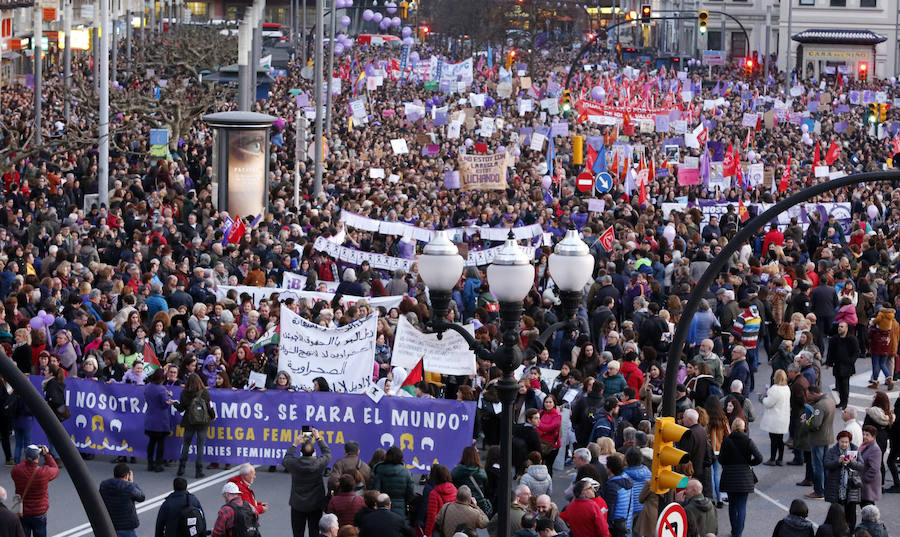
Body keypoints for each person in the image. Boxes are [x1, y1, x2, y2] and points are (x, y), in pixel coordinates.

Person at [283, 427, 331, 537]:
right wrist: (318, 438)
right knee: (314, 532)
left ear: (300, 452)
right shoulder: (319, 463)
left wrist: (295, 444)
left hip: (297, 504)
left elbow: (286, 459)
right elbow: (327, 453)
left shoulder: (294, 463)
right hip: (316, 504)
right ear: (314, 452)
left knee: (297, 533)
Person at [719, 418, 762, 537]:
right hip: (744, 477)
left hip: (730, 477)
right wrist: (749, 463)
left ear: (732, 427)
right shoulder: (748, 441)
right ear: (743, 427)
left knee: (732, 505)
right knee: (742, 506)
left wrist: (728, 464)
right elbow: (759, 458)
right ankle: (738, 533)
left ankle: (734, 531)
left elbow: (721, 459)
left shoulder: (727, 441)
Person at [10, 444, 58, 537]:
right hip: (39, 512)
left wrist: (29, 456)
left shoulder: (16, 471)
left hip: (22, 511)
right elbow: (55, 469)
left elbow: (21, 465)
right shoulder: (43, 473)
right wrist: (47, 455)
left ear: (26, 457)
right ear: (38, 457)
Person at [173, 373, 213, 478]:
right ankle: (198, 470)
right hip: (202, 422)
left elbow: (181, 408)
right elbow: (209, 407)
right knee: (200, 446)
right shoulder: (205, 393)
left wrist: (174, 403)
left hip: (189, 420)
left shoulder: (184, 393)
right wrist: (212, 416)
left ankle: (181, 468)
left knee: (186, 444)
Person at [803, 386, 836, 499]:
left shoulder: (820, 405)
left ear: (814, 394)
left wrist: (806, 421)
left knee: (818, 466)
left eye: (808, 395)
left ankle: (818, 491)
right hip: (827, 437)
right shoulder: (830, 400)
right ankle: (825, 487)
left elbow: (815, 424)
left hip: (818, 439)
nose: (807, 397)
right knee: (824, 464)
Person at [824, 431, 862, 529]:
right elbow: (826, 464)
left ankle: (850, 531)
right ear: (838, 441)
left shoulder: (854, 450)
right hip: (836, 487)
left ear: (849, 442)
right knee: (836, 512)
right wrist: (838, 461)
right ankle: (837, 530)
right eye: (842, 442)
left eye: (846, 442)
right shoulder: (832, 451)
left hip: (851, 486)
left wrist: (850, 463)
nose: (844, 444)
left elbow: (861, 466)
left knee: (851, 512)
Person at [99, 463, 146, 537]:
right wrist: (132, 482)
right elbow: (141, 497)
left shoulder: (104, 485)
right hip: (126, 527)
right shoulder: (129, 486)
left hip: (109, 525)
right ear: (127, 475)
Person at [143, 368, 174, 472]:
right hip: (161, 419)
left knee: (151, 442)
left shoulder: (148, 387)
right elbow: (165, 404)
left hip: (150, 418)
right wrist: (169, 398)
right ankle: (158, 464)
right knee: (160, 443)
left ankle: (150, 463)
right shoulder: (161, 389)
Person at [825, 321, 859, 410]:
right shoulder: (834, 339)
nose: (839, 328)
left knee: (845, 384)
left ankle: (844, 402)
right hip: (837, 365)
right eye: (839, 326)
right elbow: (830, 352)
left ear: (846, 328)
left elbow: (856, 352)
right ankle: (841, 401)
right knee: (839, 385)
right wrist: (828, 363)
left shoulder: (852, 339)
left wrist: (851, 361)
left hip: (847, 366)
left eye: (842, 327)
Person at [372, 446, 414, 517]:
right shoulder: (406, 472)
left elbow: (376, 490)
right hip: (400, 508)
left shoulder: (379, 469)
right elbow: (410, 492)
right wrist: (405, 502)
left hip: (382, 506)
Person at [760, 369, 791, 466]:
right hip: (784, 417)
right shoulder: (787, 388)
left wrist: (762, 398)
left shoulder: (775, 389)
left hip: (774, 418)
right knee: (780, 439)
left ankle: (772, 459)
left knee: (773, 439)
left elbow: (768, 403)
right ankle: (780, 459)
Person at [450, 447, 491, 518]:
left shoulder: (456, 471)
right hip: (479, 503)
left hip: (461, 502)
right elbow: (486, 488)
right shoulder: (481, 472)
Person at [602, 454, 633, 537]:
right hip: (626, 522)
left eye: (606, 466)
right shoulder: (627, 480)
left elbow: (610, 508)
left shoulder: (612, 486)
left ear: (610, 469)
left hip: (615, 525)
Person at [423, 464, 456, 537]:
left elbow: (432, 516)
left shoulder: (434, 493)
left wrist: (428, 533)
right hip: (452, 527)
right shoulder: (454, 490)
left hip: (439, 528)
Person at [856, 426, 883, 508]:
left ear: (873, 436)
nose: (864, 436)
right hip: (864, 483)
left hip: (869, 484)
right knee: (865, 505)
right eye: (863, 434)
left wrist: (864, 479)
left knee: (868, 505)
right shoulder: (864, 445)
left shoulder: (875, 449)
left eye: (867, 435)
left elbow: (874, 468)